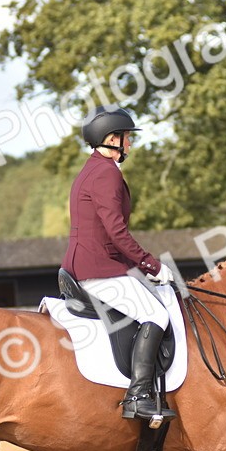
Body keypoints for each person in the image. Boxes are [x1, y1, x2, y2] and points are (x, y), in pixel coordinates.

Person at [61, 106, 177, 421]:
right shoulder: (105, 173)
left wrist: (139, 270)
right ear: (112, 139)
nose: (129, 144)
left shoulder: (93, 168)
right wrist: (153, 266)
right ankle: (138, 396)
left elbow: (110, 235)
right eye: (126, 137)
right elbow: (117, 232)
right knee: (156, 314)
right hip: (97, 269)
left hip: (95, 262)